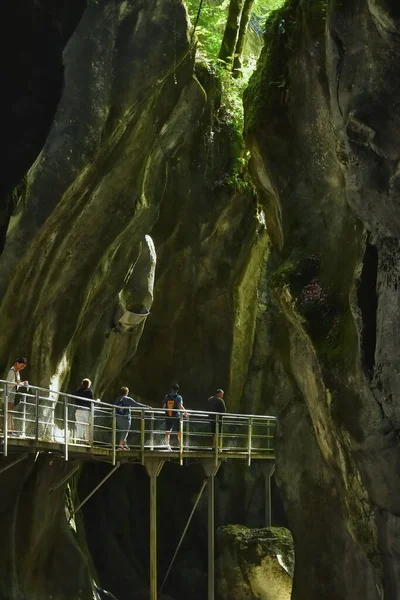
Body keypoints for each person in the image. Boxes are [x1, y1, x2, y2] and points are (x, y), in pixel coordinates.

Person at [5, 357, 28, 433]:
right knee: (9, 410)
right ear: (17, 363)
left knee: (10, 411)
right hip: (8, 393)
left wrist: (22, 383)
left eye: (23, 367)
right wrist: (17, 383)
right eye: (21, 366)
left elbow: (16, 383)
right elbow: (7, 383)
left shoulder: (17, 372)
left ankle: (10, 428)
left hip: (12, 393)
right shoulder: (12, 371)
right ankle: (9, 428)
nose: (22, 368)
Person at [163, 383, 187, 450]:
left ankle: (167, 445)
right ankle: (180, 445)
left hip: (168, 415)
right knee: (179, 431)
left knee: (168, 431)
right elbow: (180, 406)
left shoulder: (167, 396)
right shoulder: (179, 397)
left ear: (171, 389)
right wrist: (185, 412)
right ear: (177, 390)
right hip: (176, 416)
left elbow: (164, 407)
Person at [73, 378, 94, 443]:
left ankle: (79, 439)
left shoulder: (78, 391)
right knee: (87, 425)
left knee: (79, 425)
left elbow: (75, 400)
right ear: (88, 385)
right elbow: (91, 401)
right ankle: (87, 440)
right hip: (86, 411)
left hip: (78, 410)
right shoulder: (89, 391)